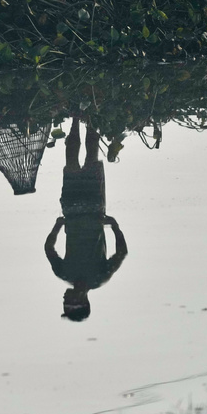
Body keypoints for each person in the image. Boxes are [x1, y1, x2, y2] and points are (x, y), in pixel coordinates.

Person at [45, 118, 127, 321]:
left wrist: (57, 226)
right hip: (88, 210)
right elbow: (121, 252)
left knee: (75, 160)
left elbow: (49, 249)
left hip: (76, 211)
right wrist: (114, 226)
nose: (64, 298)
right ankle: (88, 117)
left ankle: (76, 117)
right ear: (82, 300)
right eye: (68, 302)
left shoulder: (65, 273)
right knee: (87, 157)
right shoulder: (98, 277)